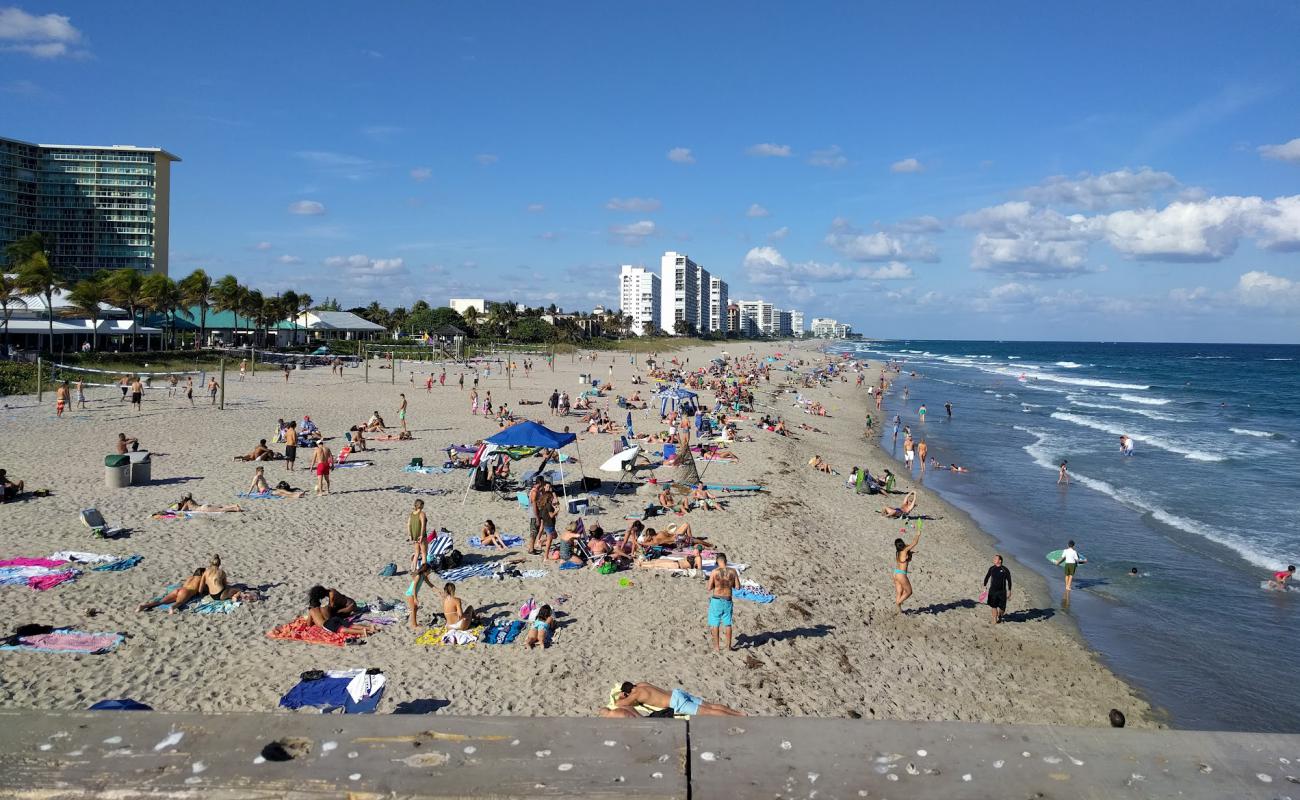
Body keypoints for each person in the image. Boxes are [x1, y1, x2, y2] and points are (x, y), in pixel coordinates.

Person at [607, 682, 745, 717]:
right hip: (676, 693)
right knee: (712, 706)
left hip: (676, 702)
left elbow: (619, 704)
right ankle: (739, 713)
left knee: (708, 712)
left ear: (627, 692)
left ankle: (738, 718)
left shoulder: (635, 695)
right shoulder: (642, 684)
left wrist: (621, 697)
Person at [307, 585, 377, 636]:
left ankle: (362, 632)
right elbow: (329, 615)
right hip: (335, 618)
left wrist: (315, 620)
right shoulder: (324, 607)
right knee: (350, 625)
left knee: (342, 629)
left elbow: (309, 624)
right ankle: (369, 628)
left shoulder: (311, 611)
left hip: (330, 621)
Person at [706, 552, 739, 652]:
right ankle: (728, 647)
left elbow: (709, 588)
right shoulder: (733, 571)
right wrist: (729, 584)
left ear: (717, 561)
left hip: (716, 599)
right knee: (727, 624)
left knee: (715, 623)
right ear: (726, 561)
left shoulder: (714, 572)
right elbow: (737, 586)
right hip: (727, 600)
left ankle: (716, 647)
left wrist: (717, 585)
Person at [137, 568, 206, 614]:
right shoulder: (201, 579)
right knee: (179, 603)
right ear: (203, 573)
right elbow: (200, 591)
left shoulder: (190, 577)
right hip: (186, 592)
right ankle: (172, 608)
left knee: (161, 601)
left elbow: (184, 586)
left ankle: (143, 606)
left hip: (179, 590)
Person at [893, 527, 922, 613]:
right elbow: (915, 542)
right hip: (901, 574)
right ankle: (898, 603)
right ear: (902, 544)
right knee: (909, 592)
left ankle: (898, 611)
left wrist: (911, 553)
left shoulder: (898, 552)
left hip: (895, 573)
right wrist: (918, 534)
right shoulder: (904, 550)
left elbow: (905, 559)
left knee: (900, 593)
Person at [404, 562, 437, 629]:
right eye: (429, 571)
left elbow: (430, 584)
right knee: (413, 609)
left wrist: (438, 590)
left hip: (413, 594)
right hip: (410, 594)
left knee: (415, 609)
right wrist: (415, 598)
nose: (430, 572)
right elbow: (414, 588)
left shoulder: (424, 576)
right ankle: (414, 625)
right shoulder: (418, 576)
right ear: (426, 570)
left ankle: (413, 623)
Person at [983, 554, 1012, 624]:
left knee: (1002, 608)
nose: (994, 559)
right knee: (993, 606)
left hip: (1002, 592)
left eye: (995, 559)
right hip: (992, 591)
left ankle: (1000, 615)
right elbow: (987, 577)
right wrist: (984, 585)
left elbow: (1009, 580)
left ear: (1000, 561)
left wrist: (1009, 590)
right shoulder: (992, 568)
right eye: (994, 558)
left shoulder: (1005, 570)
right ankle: (994, 619)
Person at [408, 499, 428, 573]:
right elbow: (423, 525)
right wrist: (422, 535)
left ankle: (413, 569)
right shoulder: (422, 513)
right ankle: (424, 569)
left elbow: (408, 525)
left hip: (414, 536)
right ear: (421, 505)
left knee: (416, 553)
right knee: (424, 553)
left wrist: (410, 535)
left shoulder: (412, 514)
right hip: (421, 535)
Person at [173, 493, 243, 513]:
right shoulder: (192, 500)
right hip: (204, 506)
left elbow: (182, 511)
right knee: (220, 507)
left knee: (220, 510)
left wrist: (178, 509)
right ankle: (234, 505)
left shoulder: (186, 503)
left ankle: (235, 509)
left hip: (203, 509)